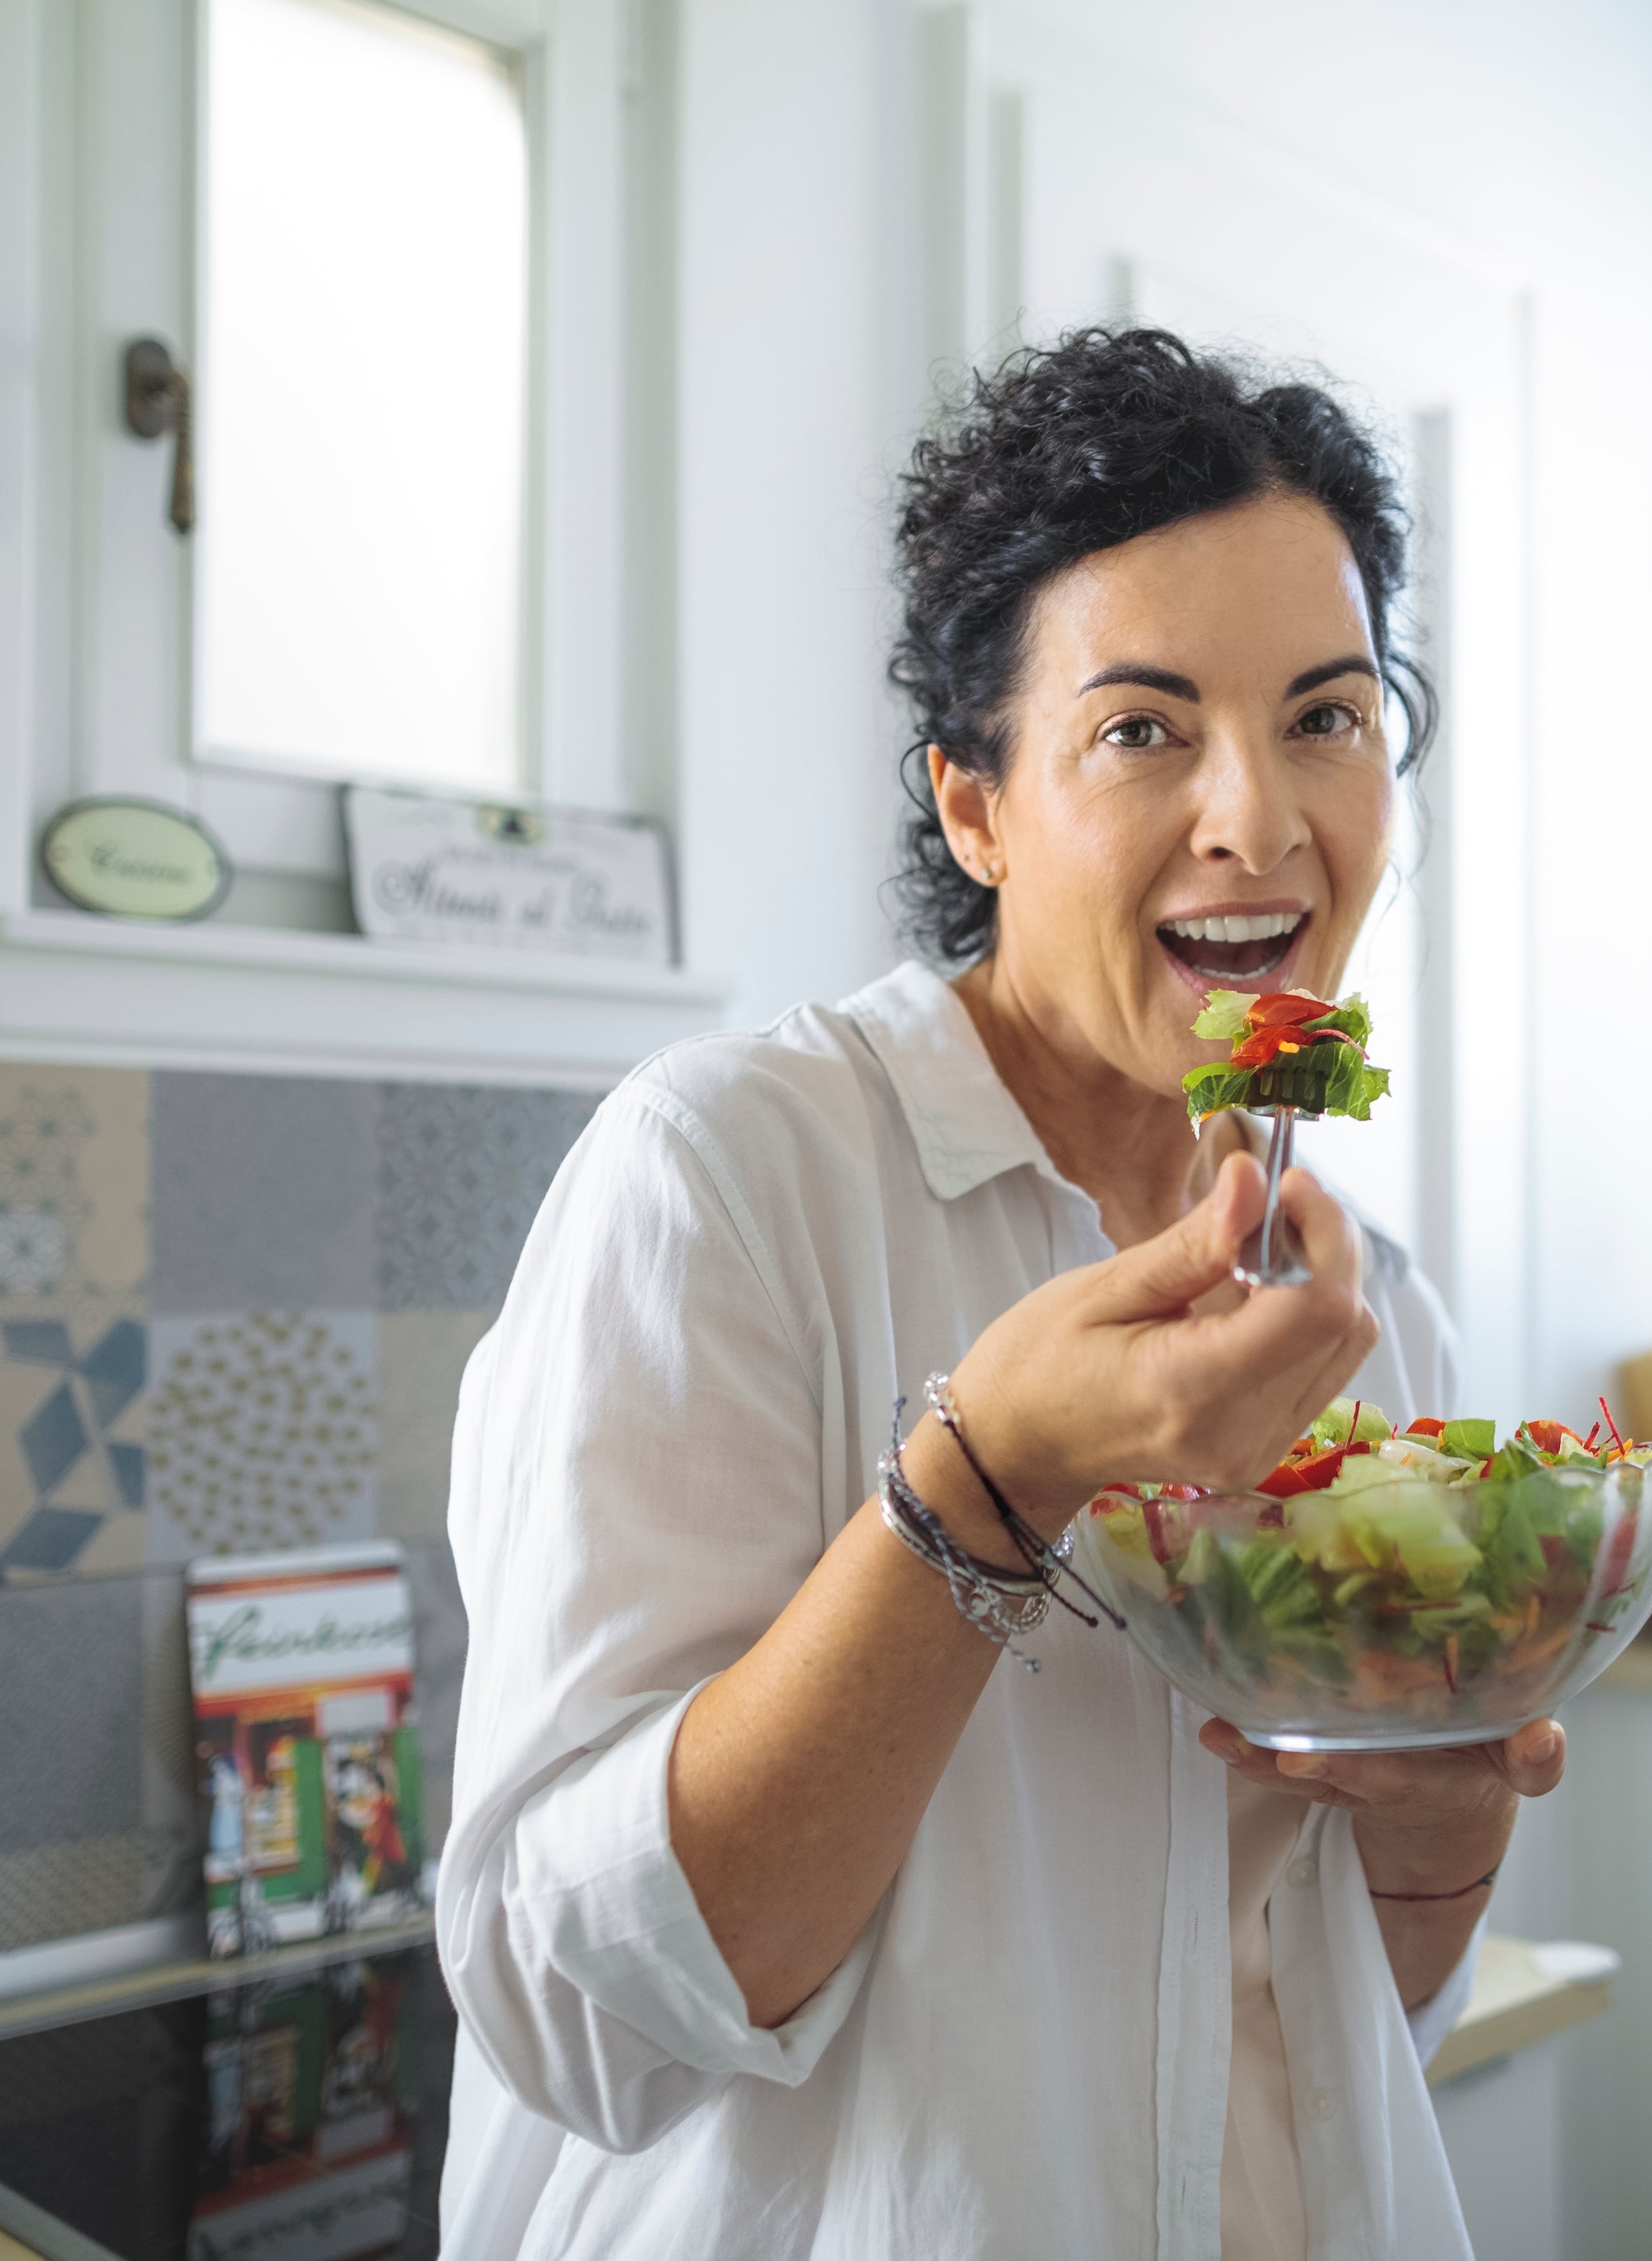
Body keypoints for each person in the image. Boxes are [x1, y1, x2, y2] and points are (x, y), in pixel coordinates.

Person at [439, 328, 1560, 2257]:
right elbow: (575, 2011)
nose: (1261, 822)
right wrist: (989, 1486)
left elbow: (1329, 2022)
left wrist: (1444, 1840)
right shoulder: (731, 1174)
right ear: (974, 804)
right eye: (1143, 729)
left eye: (1328, 715)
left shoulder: (1374, 1313)